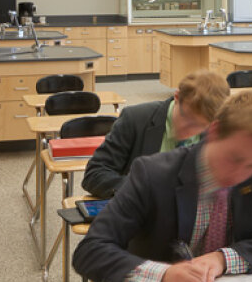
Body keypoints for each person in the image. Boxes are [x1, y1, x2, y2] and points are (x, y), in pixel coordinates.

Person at [73, 92, 252, 282]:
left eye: (251, 165)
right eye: (235, 158)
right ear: (215, 131)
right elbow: (91, 250)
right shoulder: (152, 174)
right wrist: (162, 277)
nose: (240, 175)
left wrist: (223, 259)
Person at [83, 70, 230, 198]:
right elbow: (94, 174)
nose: (190, 131)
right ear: (177, 97)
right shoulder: (135, 119)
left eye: (200, 126)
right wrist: (141, 189)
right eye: (187, 119)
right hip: (140, 217)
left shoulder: (217, 131)